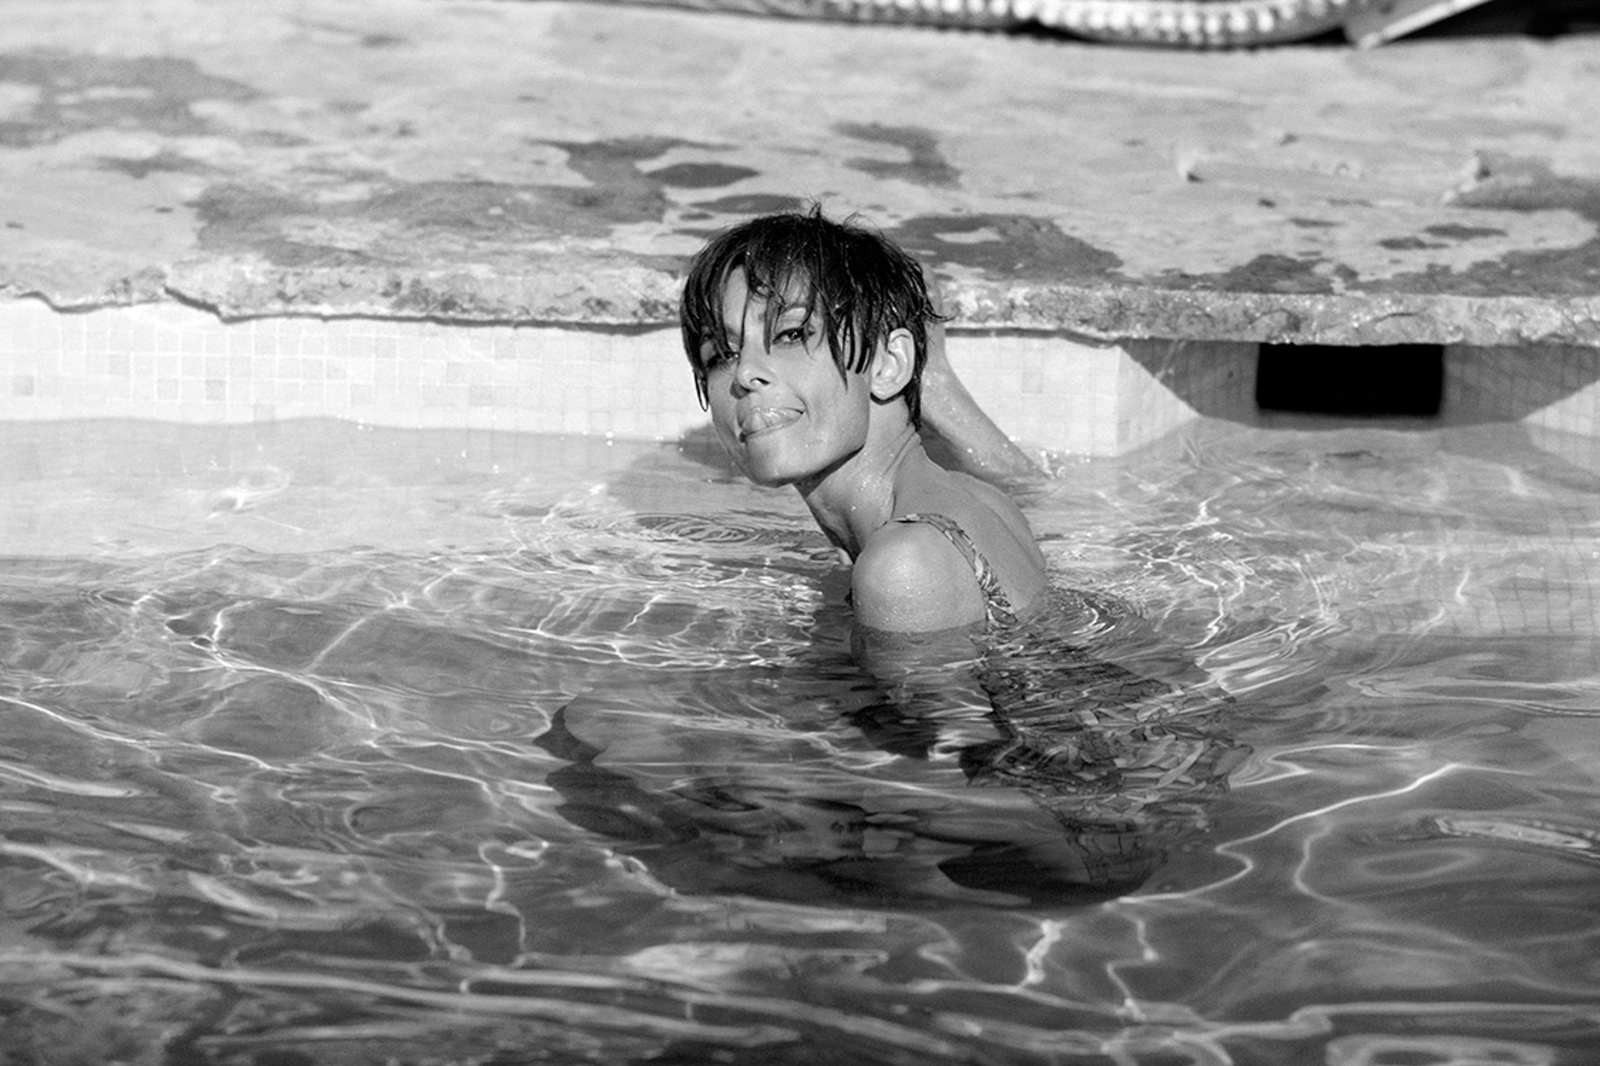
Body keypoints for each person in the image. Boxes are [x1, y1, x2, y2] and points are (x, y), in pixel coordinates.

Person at [678, 206, 1049, 666]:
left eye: (791, 334)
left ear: (888, 365)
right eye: (721, 354)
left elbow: (953, 739)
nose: (747, 374)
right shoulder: (980, 499)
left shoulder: (903, 564)